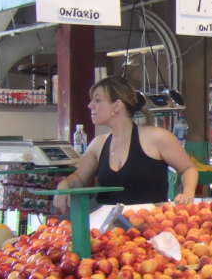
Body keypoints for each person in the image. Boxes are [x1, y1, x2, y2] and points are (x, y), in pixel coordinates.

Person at [57, 76, 198, 210]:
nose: (89, 106)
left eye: (97, 100)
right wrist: (65, 184)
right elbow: (79, 178)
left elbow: (188, 169)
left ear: (117, 106)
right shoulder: (97, 144)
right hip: (107, 229)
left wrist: (188, 193)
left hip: (151, 226)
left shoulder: (157, 137)